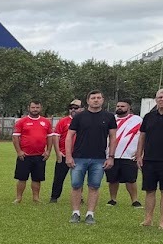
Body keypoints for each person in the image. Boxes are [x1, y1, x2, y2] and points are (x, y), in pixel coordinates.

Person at [65, 89, 117, 225]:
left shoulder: (109, 117)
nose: (96, 100)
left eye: (98, 98)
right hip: (79, 157)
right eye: (93, 98)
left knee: (94, 186)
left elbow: (113, 137)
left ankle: (90, 214)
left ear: (103, 100)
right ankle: (75, 212)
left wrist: (111, 157)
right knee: (76, 186)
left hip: (99, 158)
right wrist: (69, 156)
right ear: (88, 101)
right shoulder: (79, 117)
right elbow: (69, 136)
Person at [105, 98, 143, 208]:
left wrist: (140, 152)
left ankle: (135, 200)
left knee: (130, 180)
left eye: (122, 106)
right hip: (112, 155)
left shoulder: (137, 120)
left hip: (129, 155)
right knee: (112, 179)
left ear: (129, 108)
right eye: (118, 106)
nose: (119, 108)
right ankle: (112, 199)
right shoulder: (110, 119)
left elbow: (143, 137)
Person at [12, 101, 52, 204]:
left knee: (37, 178)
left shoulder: (46, 122)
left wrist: (48, 151)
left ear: (40, 108)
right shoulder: (22, 121)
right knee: (22, 178)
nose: (35, 109)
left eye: (37, 107)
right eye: (33, 107)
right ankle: (19, 198)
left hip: (40, 156)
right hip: (25, 155)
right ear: (29, 108)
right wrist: (19, 151)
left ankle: (36, 198)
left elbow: (50, 137)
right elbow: (15, 137)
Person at [136, 88, 163, 229]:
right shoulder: (148, 117)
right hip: (150, 160)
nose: (161, 99)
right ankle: (148, 219)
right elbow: (142, 137)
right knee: (149, 190)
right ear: (156, 99)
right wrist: (139, 155)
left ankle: (162, 222)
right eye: (160, 97)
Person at [48, 99, 82, 202]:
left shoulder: (84, 120)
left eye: (75, 108)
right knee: (59, 177)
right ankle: (54, 197)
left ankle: (79, 197)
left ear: (81, 109)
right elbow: (56, 137)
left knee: (78, 178)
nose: (73, 110)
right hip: (64, 154)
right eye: (71, 108)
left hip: (79, 155)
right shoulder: (63, 121)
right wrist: (58, 152)